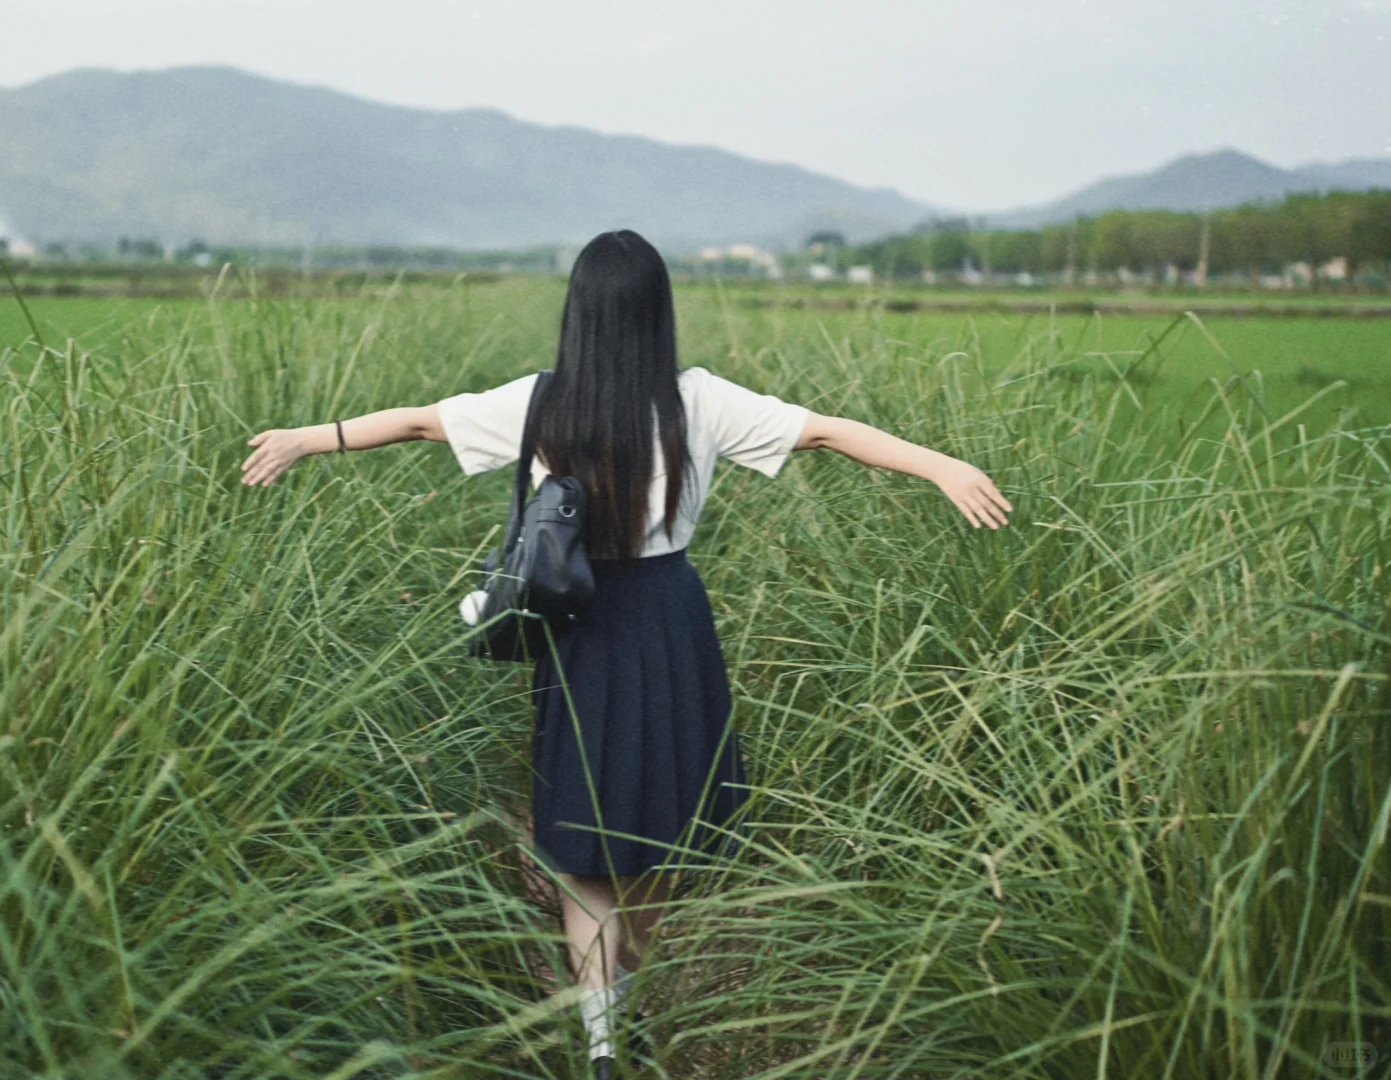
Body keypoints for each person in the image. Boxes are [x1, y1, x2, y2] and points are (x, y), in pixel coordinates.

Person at [241, 229, 1012, 1076]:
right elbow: (826, 433)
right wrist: (942, 466)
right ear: (657, 311)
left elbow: (423, 423)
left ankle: (602, 1040)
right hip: (669, 619)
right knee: (653, 833)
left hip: (578, 626)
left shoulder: (541, 402)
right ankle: (628, 1005)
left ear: (578, 312)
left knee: (583, 838)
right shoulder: (700, 401)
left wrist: (307, 437)